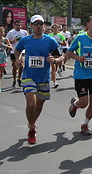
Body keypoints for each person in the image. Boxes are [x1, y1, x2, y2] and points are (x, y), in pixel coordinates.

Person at [14, 15, 63, 144]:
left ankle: (32, 124)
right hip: (28, 76)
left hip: (44, 78)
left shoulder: (50, 41)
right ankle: (31, 128)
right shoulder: (25, 40)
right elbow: (17, 51)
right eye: (36, 24)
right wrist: (18, 59)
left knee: (39, 104)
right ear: (31, 26)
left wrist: (55, 60)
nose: (39, 26)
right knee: (31, 103)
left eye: (41, 24)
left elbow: (60, 57)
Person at [67, 15, 92, 135]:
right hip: (81, 76)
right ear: (88, 24)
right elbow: (69, 52)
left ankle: (85, 124)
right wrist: (78, 57)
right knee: (84, 103)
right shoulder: (80, 38)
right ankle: (75, 104)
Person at [6, 20, 29, 87]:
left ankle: (19, 78)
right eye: (17, 25)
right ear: (14, 25)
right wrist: (13, 41)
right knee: (15, 66)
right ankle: (14, 80)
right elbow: (7, 41)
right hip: (13, 51)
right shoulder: (11, 32)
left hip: (22, 51)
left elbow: (28, 40)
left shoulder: (24, 32)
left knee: (21, 65)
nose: (18, 26)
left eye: (19, 25)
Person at [0, 27, 12, 94]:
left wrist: (4, 45)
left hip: (3, 58)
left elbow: (11, 47)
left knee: (1, 73)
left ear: (3, 33)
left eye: (1, 32)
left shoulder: (6, 40)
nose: (0, 33)